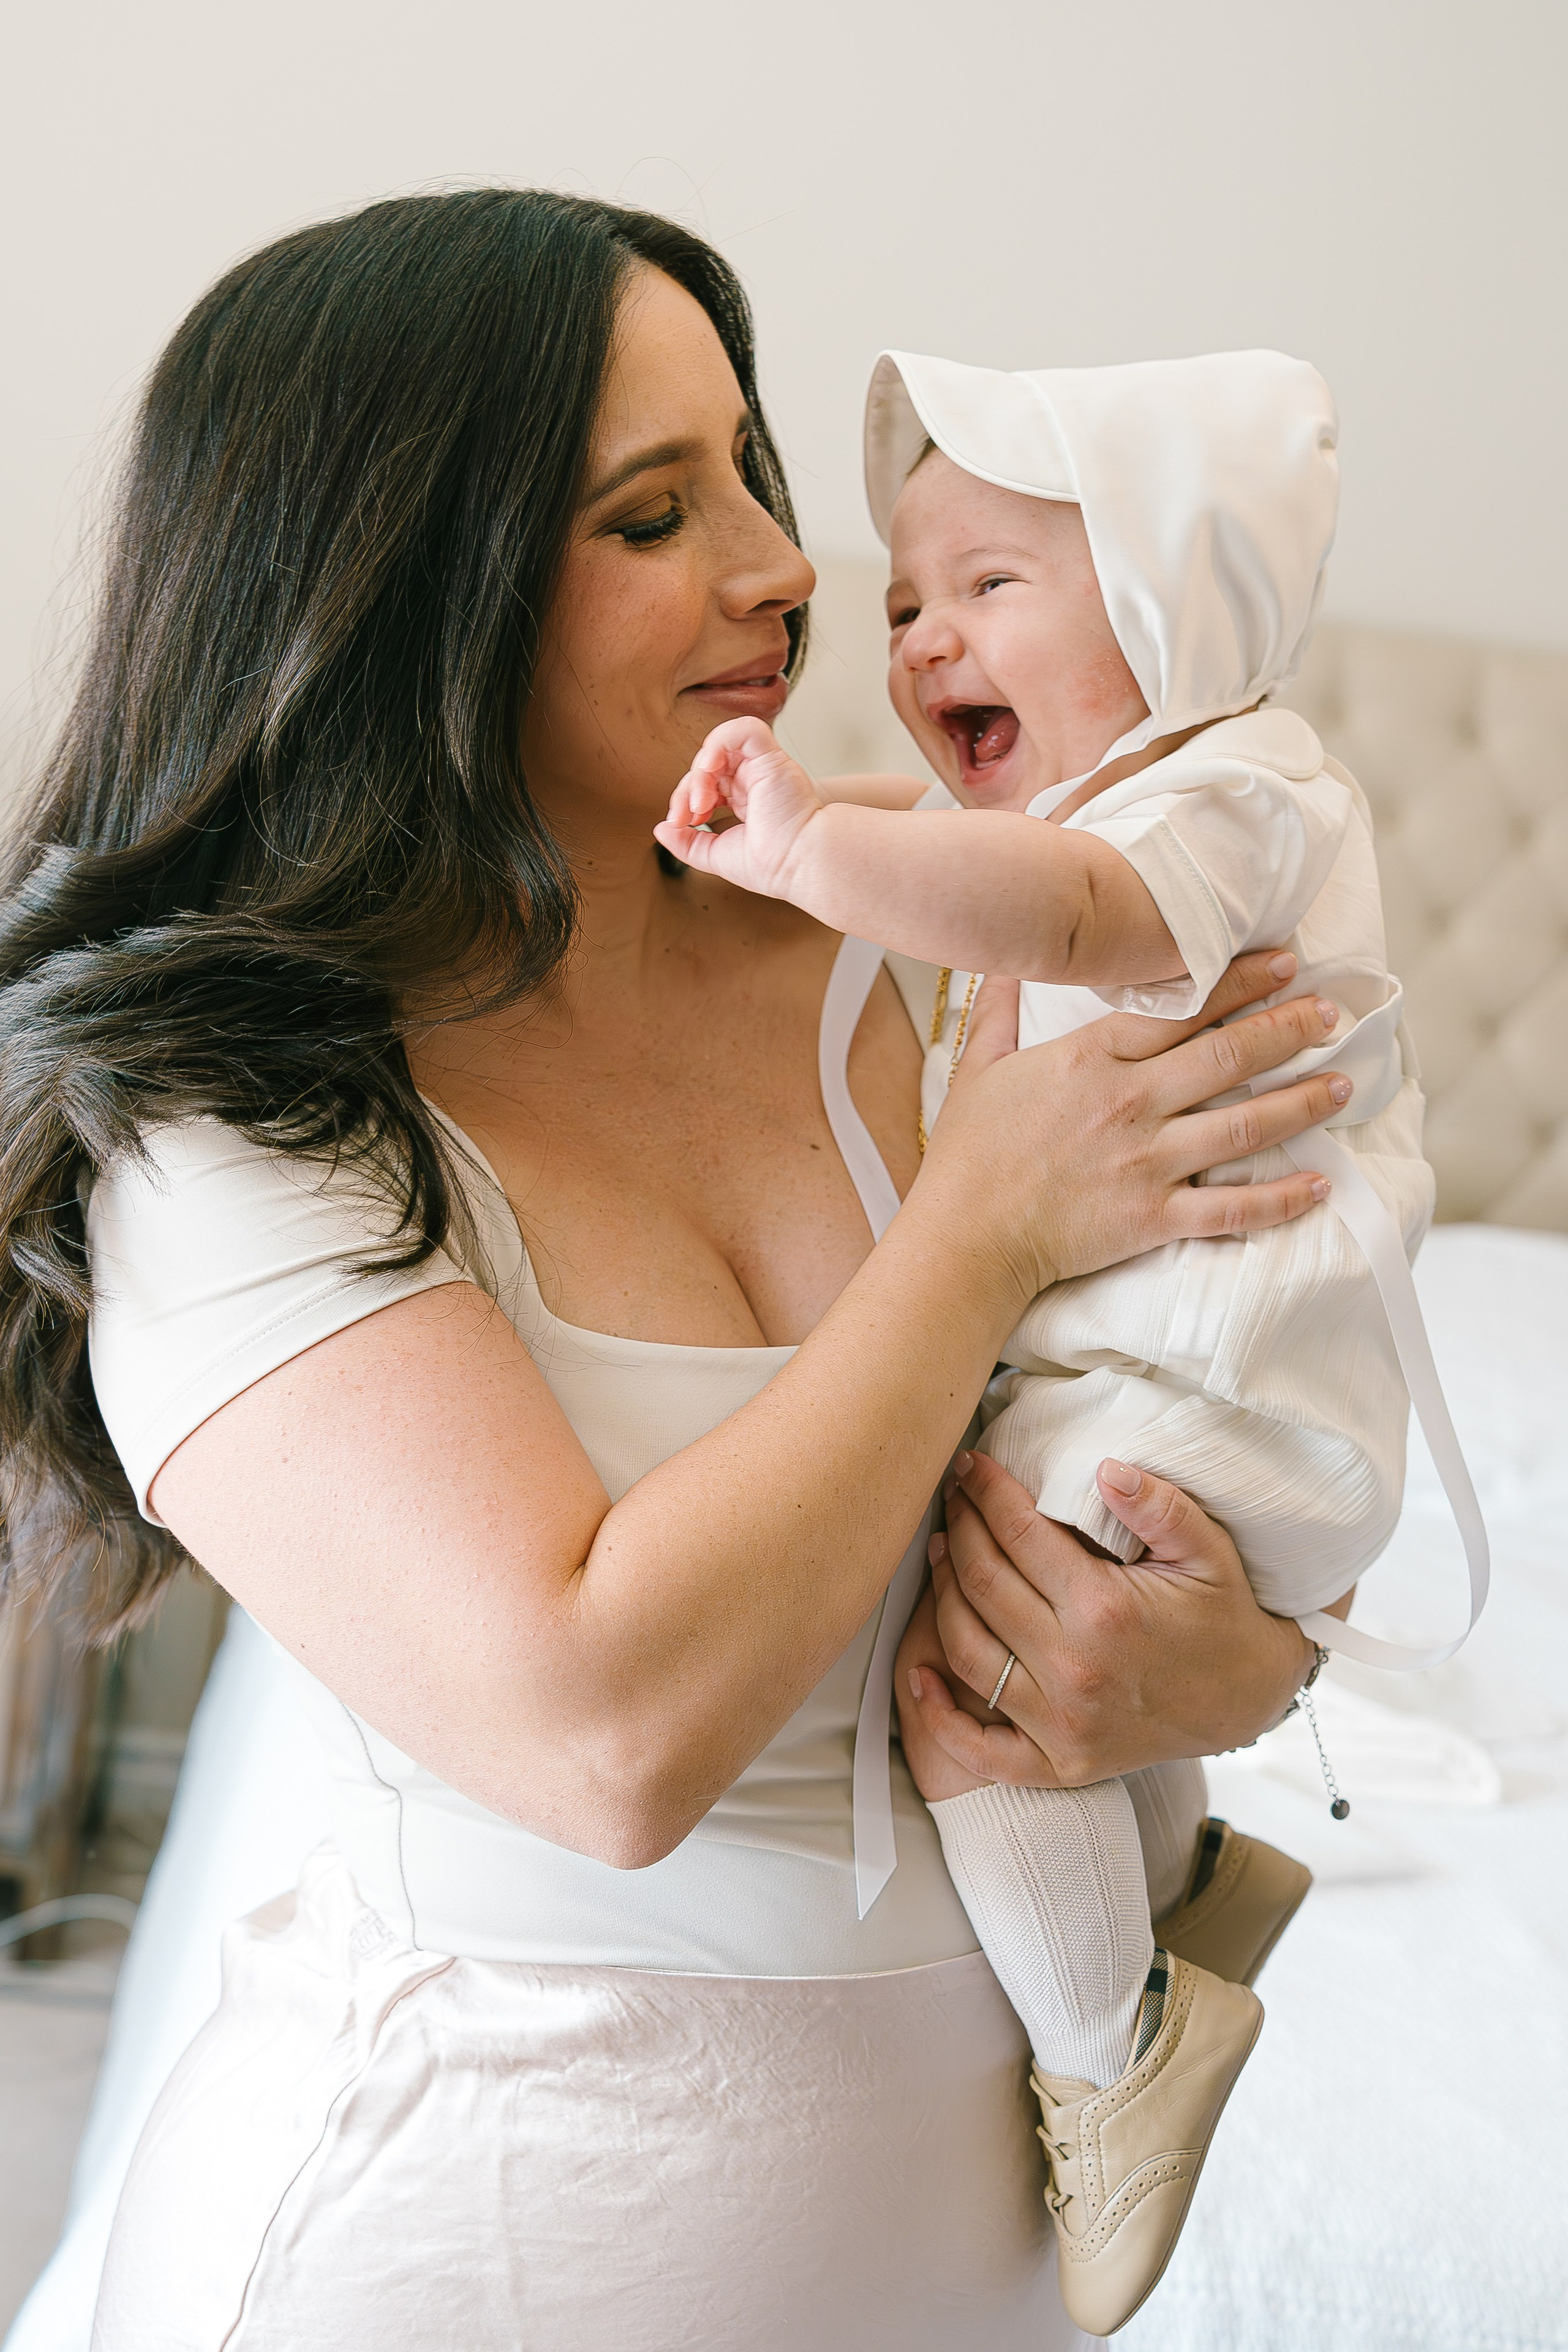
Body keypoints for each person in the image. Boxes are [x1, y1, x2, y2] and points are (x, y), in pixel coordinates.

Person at [0, 193, 1343, 2351]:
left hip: (959, 2282)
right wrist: (984, 1225)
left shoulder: (945, 940)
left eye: (752, 472)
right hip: (454, 2248)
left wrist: (1245, 1671)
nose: (791, 566)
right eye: (652, 513)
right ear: (409, 584)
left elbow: (1261, 1373)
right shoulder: (232, 1122)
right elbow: (605, 1737)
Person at [656, 347, 1434, 2335]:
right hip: (1166, 1386)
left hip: (1228, 1396)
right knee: (1012, 1578)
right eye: (907, 602)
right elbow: (952, 846)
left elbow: (1065, 907)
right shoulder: (1088, 802)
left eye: (991, 587)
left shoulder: (1229, 790)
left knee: (970, 1700)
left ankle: (1116, 2056)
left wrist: (812, 852)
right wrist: (802, 819)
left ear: (1175, 603)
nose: (922, 641)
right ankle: (1183, 1894)